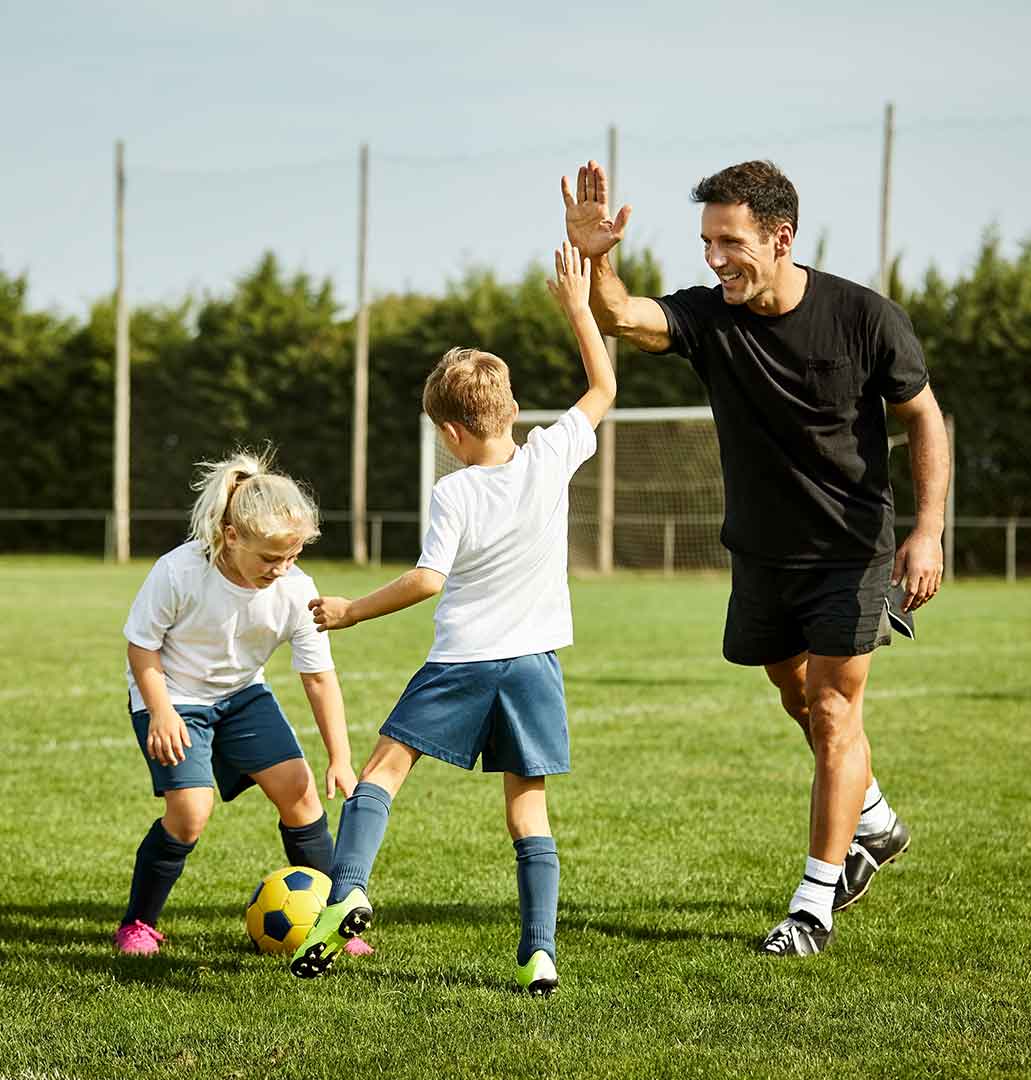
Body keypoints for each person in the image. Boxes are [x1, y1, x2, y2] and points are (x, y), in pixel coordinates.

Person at [561, 158, 950, 956]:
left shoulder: (867, 318)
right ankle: (872, 819)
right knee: (795, 690)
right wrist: (598, 256)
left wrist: (927, 530)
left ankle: (812, 905)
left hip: (851, 549)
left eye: (729, 242)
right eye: (706, 242)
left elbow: (925, 419)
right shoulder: (713, 318)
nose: (714, 259)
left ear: (780, 237)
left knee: (838, 712)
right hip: (763, 554)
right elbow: (625, 317)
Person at [289, 241, 615, 994]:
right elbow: (602, 384)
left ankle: (348, 893)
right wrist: (576, 303)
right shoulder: (550, 455)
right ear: (510, 410)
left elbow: (429, 580)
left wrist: (351, 611)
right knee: (527, 811)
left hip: (464, 659)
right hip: (535, 665)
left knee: (382, 769)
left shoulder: (454, 492)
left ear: (451, 433)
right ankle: (540, 953)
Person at [115, 448, 370, 958]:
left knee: (300, 794)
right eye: (270, 558)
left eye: (292, 556)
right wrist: (161, 711)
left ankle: (332, 922)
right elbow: (141, 645)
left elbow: (319, 678)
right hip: (173, 695)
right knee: (190, 812)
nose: (281, 569)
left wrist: (340, 757)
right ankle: (137, 924)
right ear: (231, 537)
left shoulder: (297, 590)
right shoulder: (181, 571)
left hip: (242, 696)